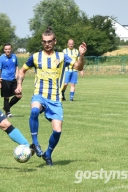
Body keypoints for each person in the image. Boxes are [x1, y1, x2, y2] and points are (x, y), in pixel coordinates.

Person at [15, 27, 87, 166]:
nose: (46, 44)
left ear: (55, 41)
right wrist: (19, 85)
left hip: (55, 98)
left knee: (57, 131)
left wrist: (81, 55)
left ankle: (48, 153)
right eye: (44, 42)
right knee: (34, 111)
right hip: (39, 94)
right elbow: (22, 70)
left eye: (49, 41)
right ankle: (35, 143)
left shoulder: (61, 56)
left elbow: (78, 67)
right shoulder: (36, 57)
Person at [0, 43, 21, 117]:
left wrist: (17, 73)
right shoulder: (1, 58)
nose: (7, 50)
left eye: (9, 49)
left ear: (11, 49)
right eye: (6, 49)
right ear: (4, 50)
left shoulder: (14, 57)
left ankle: (6, 107)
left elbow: (16, 66)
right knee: (6, 97)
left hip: (13, 79)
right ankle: (8, 112)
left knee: (19, 95)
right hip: (5, 79)